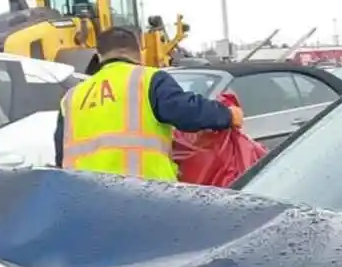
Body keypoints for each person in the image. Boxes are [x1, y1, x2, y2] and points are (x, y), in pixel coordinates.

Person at [54, 27, 243, 179]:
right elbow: (186, 112)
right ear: (139, 53)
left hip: (87, 200)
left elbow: (61, 155)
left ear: (98, 55)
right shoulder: (148, 79)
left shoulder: (72, 97)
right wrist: (227, 114)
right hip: (145, 196)